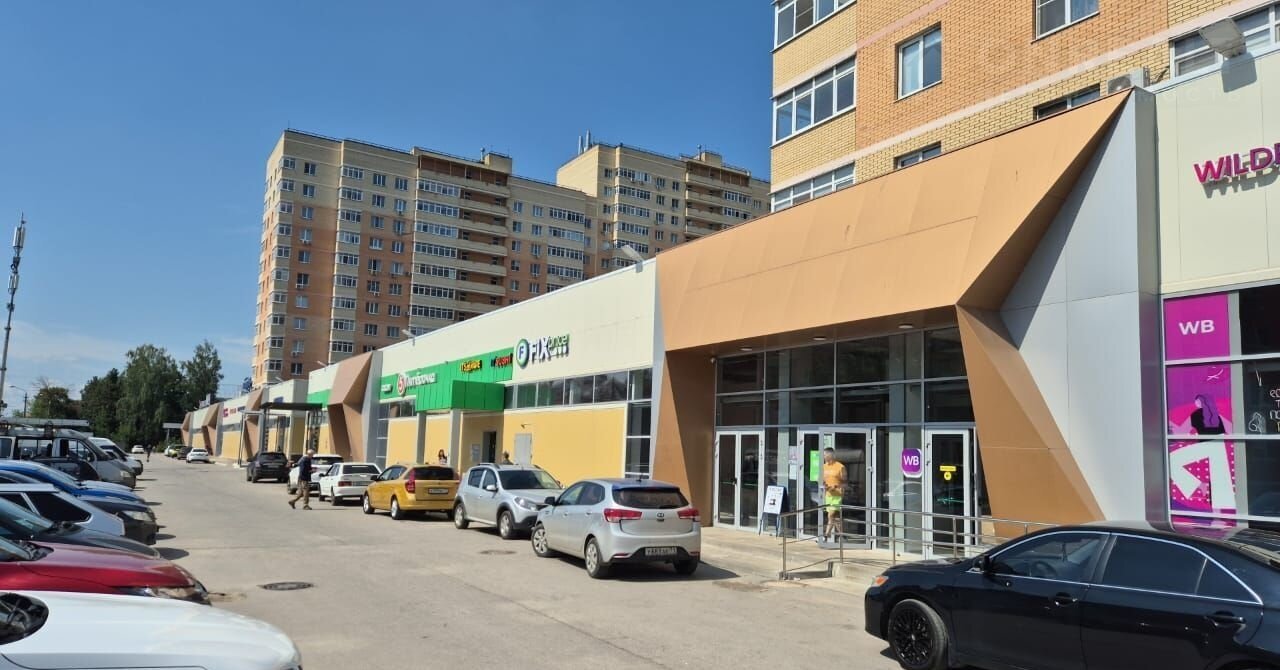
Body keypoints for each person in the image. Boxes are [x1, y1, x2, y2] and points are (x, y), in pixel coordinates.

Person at [821, 447, 846, 542]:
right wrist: (825, 485)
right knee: (834, 517)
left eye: (824, 455)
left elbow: (845, 482)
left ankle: (826, 535)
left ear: (830, 455)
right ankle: (842, 536)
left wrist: (835, 486)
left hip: (837, 495)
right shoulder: (824, 467)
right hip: (828, 495)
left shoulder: (840, 467)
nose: (823, 456)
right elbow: (822, 480)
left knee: (831, 515)